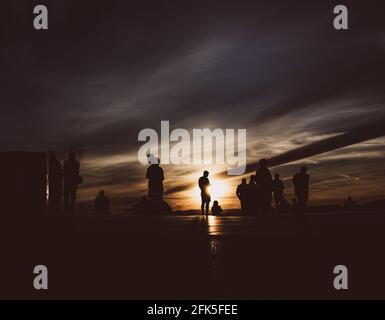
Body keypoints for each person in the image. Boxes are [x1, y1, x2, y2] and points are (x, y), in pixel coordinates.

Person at [48, 150, 63, 215]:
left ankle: (55, 211)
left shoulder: (55, 162)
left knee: (55, 198)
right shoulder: (53, 162)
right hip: (54, 183)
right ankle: (54, 211)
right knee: (54, 198)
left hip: (55, 183)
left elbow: (59, 173)